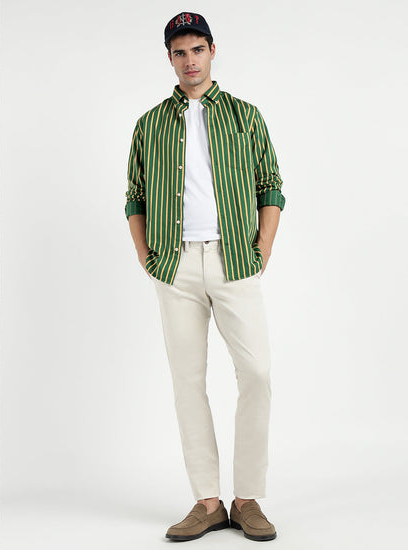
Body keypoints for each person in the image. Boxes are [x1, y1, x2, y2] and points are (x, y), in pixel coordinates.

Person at [125, 11, 286, 542]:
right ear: (169, 59)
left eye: (197, 49)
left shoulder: (245, 116)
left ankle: (247, 498)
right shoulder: (150, 124)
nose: (189, 60)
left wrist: (263, 246)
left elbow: (270, 185)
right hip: (174, 266)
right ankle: (209, 502)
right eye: (180, 52)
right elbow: (135, 196)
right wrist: (147, 255)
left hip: (234, 259)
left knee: (257, 373)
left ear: (212, 51)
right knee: (187, 381)